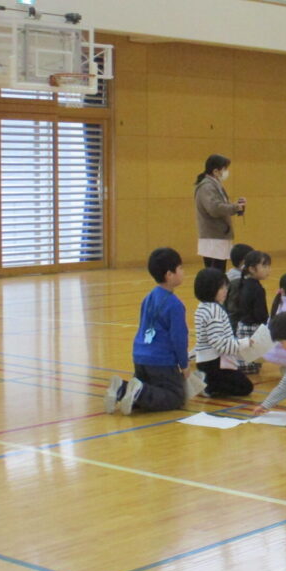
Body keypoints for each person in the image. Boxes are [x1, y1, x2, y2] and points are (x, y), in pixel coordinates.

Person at [104, 247, 193, 415]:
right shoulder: (175, 305)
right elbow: (179, 338)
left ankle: (122, 389)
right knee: (176, 397)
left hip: (140, 357)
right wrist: (184, 365)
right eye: (180, 268)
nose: (183, 272)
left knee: (152, 389)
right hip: (161, 361)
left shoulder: (148, 298)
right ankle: (138, 392)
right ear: (169, 275)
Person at [192, 268, 256, 397]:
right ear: (210, 289)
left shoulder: (202, 307)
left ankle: (207, 380)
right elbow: (220, 345)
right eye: (221, 288)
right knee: (245, 387)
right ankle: (208, 385)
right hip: (214, 363)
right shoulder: (214, 310)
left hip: (205, 361)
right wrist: (244, 343)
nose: (226, 290)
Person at [194, 154, 246, 271]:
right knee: (215, 273)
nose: (226, 172)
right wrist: (235, 208)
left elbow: (219, 206)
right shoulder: (207, 186)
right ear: (216, 171)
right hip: (213, 237)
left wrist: (236, 206)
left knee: (219, 271)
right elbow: (214, 208)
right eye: (224, 169)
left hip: (218, 236)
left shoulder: (215, 185)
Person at [234, 250, 272, 375]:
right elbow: (260, 314)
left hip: (242, 327)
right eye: (264, 266)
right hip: (252, 330)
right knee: (251, 367)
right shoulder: (257, 289)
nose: (268, 269)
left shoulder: (244, 283)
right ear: (251, 269)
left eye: (268, 266)